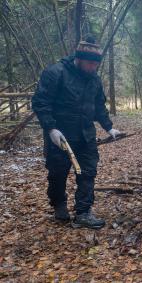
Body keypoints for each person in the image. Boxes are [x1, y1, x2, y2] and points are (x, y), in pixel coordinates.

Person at [32, 36, 120, 229]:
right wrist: (51, 128)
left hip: (86, 136)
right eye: (89, 63)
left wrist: (109, 127)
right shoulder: (56, 73)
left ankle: (83, 212)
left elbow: (99, 106)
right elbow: (40, 102)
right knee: (57, 173)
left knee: (87, 172)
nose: (93, 68)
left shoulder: (94, 80)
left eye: (96, 64)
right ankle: (59, 204)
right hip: (60, 136)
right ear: (78, 59)